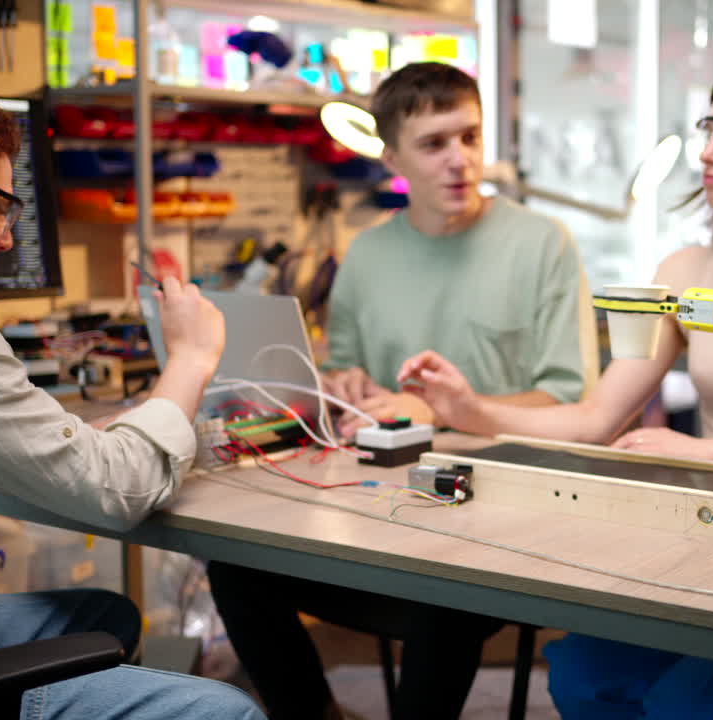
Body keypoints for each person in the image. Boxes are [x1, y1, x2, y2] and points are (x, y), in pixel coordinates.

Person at [397, 58, 713, 718]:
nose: (706, 152)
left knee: (680, 704)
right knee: (581, 675)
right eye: (707, 129)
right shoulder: (683, 272)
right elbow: (595, 420)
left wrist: (698, 455)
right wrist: (468, 409)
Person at [0, 78, 264, 720]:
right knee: (225, 711)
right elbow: (115, 491)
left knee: (101, 615)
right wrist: (192, 358)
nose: (8, 238)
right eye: (1, 205)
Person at [206, 61, 597, 720]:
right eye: (434, 144)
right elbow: (350, 381)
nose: (460, 160)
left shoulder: (543, 244)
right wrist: (343, 384)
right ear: (391, 156)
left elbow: (568, 401)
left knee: (442, 597)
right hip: (382, 507)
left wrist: (452, 410)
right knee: (235, 566)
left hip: (491, 518)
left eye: (470, 137)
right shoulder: (368, 253)